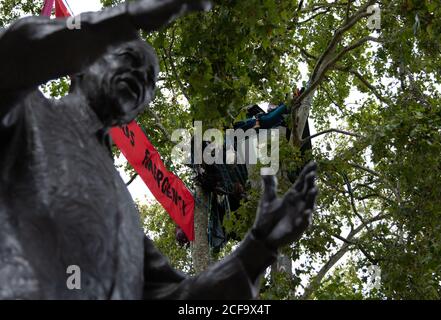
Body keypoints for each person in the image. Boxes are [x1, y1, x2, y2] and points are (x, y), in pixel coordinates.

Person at [0, 0, 318, 299]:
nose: (140, 77)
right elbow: (14, 55)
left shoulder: (123, 210)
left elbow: (178, 296)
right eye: (130, 58)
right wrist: (126, 18)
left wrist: (258, 248)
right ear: (85, 63)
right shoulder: (23, 113)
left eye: (149, 81)